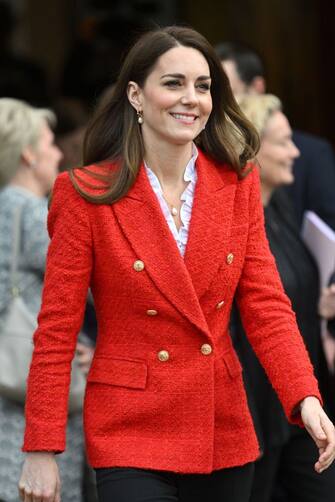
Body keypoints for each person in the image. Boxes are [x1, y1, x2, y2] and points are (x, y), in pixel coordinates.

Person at [18, 26, 335, 502]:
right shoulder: (84, 193)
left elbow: (266, 305)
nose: (191, 99)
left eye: (203, 86)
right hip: (129, 430)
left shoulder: (238, 181)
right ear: (135, 96)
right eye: (173, 83)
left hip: (222, 427)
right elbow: (57, 329)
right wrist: (41, 448)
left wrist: (304, 396)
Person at [233, 93, 335, 502]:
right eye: (283, 141)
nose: (295, 152)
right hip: (255, 403)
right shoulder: (235, 219)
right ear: (253, 149)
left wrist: (323, 307)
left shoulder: (283, 210)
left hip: (298, 397)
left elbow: (288, 296)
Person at [0, 98, 87, 501]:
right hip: (31, 388)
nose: (58, 152)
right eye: (50, 143)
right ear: (28, 154)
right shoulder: (33, 213)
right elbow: (83, 283)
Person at [215, 41, 335, 231]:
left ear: (257, 88)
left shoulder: (311, 155)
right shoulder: (211, 161)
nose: (218, 107)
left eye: (230, 95)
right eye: (211, 94)